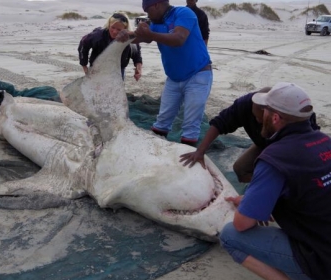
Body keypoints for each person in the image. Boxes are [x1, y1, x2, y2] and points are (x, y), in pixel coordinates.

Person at [220, 82, 331, 280]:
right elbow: (313, 190)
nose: (260, 116)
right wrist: (254, 201)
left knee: (229, 235)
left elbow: (242, 224)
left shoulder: (275, 158)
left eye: (264, 111)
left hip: (321, 259)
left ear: (276, 117)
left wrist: (248, 207)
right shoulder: (325, 141)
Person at [117, 0, 212, 146]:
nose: (147, 15)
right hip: (173, 78)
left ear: (156, 5)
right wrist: (126, 35)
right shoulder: (155, 22)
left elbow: (179, 39)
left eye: (148, 10)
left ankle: (185, 161)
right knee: (162, 121)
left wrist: (151, 34)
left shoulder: (184, 13)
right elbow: (139, 36)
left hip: (198, 75)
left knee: (190, 125)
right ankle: (156, 152)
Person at [179, 87, 320, 183]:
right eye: (255, 118)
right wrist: (200, 151)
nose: (258, 122)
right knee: (240, 169)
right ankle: (259, 189)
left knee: (289, 178)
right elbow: (219, 123)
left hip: (293, 150)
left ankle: (275, 194)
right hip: (263, 143)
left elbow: (311, 145)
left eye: (262, 120)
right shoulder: (245, 104)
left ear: (275, 115)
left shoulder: (297, 114)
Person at [78, 12, 143, 81]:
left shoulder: (130, 39)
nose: (114, 32)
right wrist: (84, 66)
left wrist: (138, 68)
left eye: (119, 29)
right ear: (109, 25)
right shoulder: (98, 36)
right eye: (112, 27)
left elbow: (136, 54)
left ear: (125, 29)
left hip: (118, 69)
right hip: (97, 69)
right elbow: (83, 44)